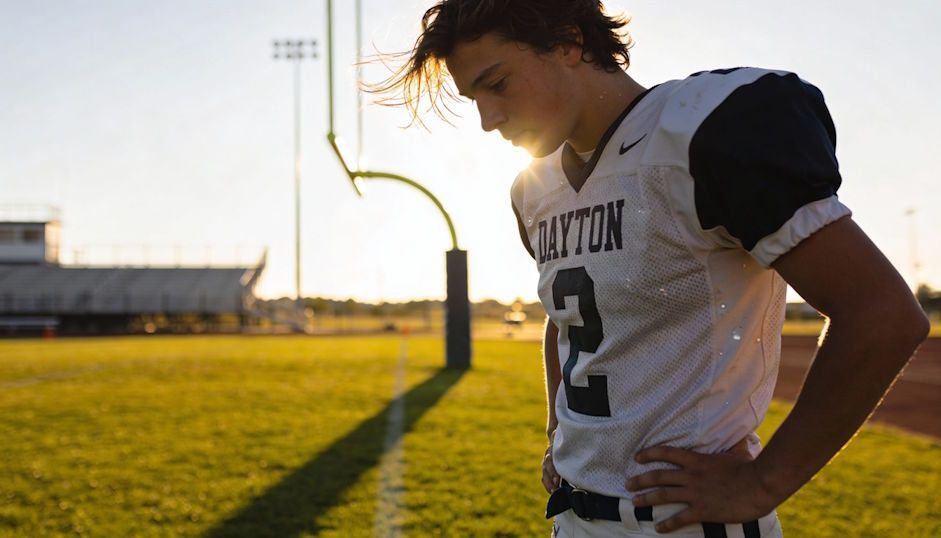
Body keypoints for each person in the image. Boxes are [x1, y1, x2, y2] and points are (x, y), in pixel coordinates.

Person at [373, 1, 930, 536]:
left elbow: (882, 314)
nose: (488, 120)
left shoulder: (703, 131)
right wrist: (559, 432)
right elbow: (567, 315)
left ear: (570, 42)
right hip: (573, 518)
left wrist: (764, 482)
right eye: (473, 98)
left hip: (685, 525)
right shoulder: (533, 188)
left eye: (496, 84)